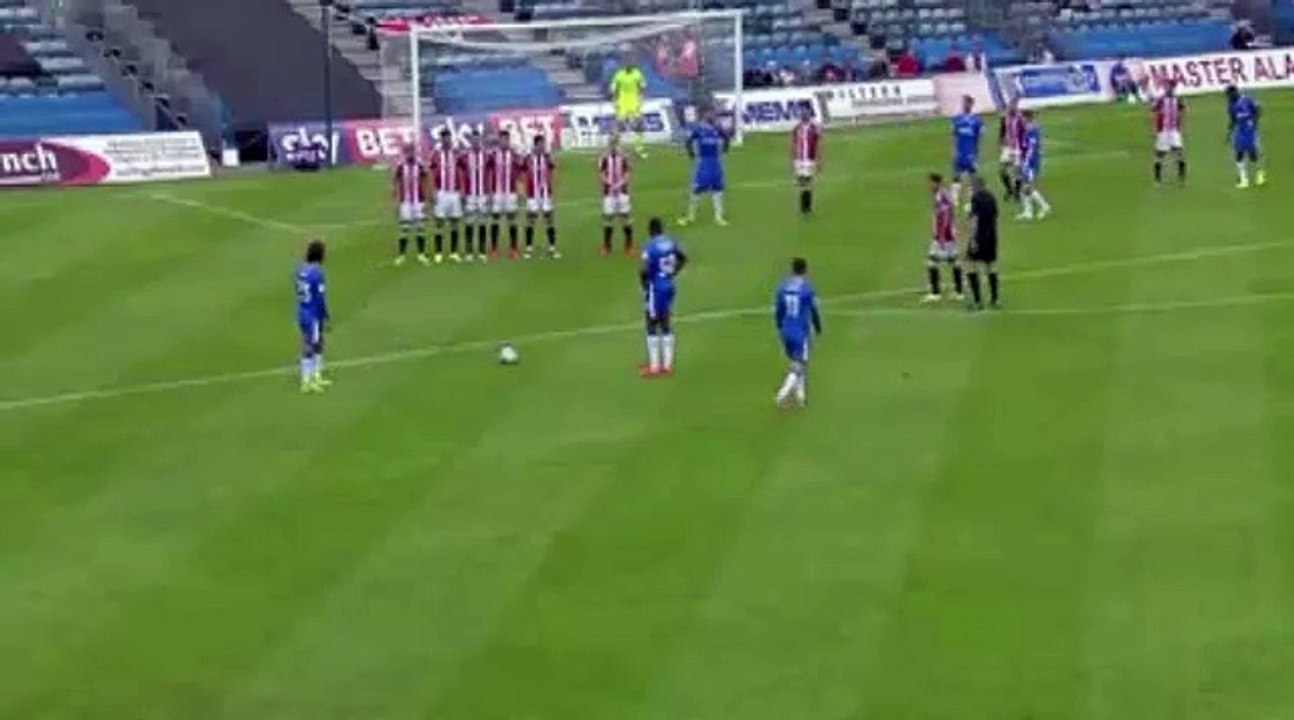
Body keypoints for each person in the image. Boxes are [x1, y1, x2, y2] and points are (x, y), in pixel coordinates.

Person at [640, 217, 688, 376]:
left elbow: (644, 269)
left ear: (650, 230)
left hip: (655, 287)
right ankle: (667, 364)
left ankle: (654, 366)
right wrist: (672, 273)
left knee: (651, 323)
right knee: (666, 320)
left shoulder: (650, 245)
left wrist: (644, 284)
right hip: (669, 285)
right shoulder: (670, 242)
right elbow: (683, 258)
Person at [773, 256, 821, 408]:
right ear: (805, 270)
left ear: (791, 269)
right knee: (799, 364)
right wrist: (817, 327)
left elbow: (778, 310)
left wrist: (779, 326)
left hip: (785, 330)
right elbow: (813, 310)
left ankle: (801, 396)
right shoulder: (807, 288)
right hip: (800, 331)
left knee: (796, 361)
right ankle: (782, 394)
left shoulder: (782, 287)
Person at [679, 109, 729, 226]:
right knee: (696, 190)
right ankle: (690, 217)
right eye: (710, 115)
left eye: (713, 115)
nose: (712, 117)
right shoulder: (699, 129)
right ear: (705, 117)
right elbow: (689, 141)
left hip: (715, 162)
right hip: (704, 162)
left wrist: (724, 150)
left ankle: (718, 217)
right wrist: (691, 153)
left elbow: (726, 138)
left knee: (718, 189)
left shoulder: (717, 129)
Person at [295, 239, 331, 393]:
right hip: (313, 313)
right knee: (309, 345)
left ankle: (316, 376)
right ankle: (307, 381)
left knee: (317, 343)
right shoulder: (317, 273)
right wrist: (325, 316)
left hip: (302, 310)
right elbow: (320, 298)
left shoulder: (300, 269)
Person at [923, 172, 964, 302]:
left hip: (944, 235)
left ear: (936, 183)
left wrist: (941, 235)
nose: (929, 185)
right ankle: (959, 292)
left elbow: (944, 215)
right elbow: (950, 211)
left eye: (930, 183)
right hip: (948, 234)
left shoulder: (940, 195)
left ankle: (936, 293)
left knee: (932, 261)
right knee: (954, 261)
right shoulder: (943, 193)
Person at [965, 177, 1000, 310]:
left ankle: (977, 300)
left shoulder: (975, 199)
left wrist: (973, 238)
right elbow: (995, 215)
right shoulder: (991, 197)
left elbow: (974, 219)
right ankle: (995, 299)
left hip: (979, 237)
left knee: (971, 265)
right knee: (990, 266)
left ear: (976, 186)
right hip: (991, 236)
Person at [391, 144, 429, 266]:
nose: (410, 154)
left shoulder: (420, 164)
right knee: (404, 228)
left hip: (419, 201)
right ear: (405, 152)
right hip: (405, 202)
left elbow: (426, 178)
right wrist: (395, 198)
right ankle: (401, 255)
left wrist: (427, 196)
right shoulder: (401, 166)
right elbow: (395, 179)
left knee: (420, 227)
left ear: (414, 152)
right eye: (408, 151)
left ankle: (421, 254)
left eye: (412, 151)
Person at [429, 129, 463, 263]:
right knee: (439, 221)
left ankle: (454, 252)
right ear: (441, 139)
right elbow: (431, 173)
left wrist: (462, 190)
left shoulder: (457, 153)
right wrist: (433, 190)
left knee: (454, 221)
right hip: (441, 192)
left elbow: (461, 172)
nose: (446, 140)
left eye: (448, 137)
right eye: (444, 138)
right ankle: (438, 253)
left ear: (451, 138)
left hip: (454, 192)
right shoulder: (436, 154)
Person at [523, 133, 560, 258]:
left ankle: (552, 247)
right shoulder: (528, 158)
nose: (543, 146)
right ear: (536, 145)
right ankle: (528, 248)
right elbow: (522, 170)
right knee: (530, 220)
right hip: (532, 194)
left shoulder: (547, 157)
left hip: (545, 193)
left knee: (549, 219)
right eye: (541, 144)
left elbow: (553, 167)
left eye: (543, 144)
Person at [489, 129, 523, 259]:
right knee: (495, 219)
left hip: (511, 192)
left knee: (511, 219)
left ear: (509, 140)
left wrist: (520, 189)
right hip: (497, 193)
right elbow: (487, 171)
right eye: (501, 140)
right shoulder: (493, 155)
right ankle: (494, 248)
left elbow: (520, 172)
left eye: (506, 140)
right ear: (499, 141)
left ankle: (513, 248)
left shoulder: (514, 155)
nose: (504, 142)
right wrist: (489, 191)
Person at [598, 133, 634, 256]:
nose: (613, 146)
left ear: (618, 143)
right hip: (609, 192)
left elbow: (627, 174)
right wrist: (608, 183)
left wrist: (619, 184)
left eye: (615, 143)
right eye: (611, 143)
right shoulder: (604, 157)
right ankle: (607, 246)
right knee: (608, 218)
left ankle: (629, 245)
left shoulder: (623, 157)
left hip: (622, 191)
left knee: (625, 217)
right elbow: (601, 173)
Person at [1226, 85, 1265, 189]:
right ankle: (1244, 179)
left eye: (1230, 95)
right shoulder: (1230, 104)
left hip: (1249, 129)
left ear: (1235, 92)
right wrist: (1229, 132)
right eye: (1228, 95)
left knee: (1252, 153)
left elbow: (1258, 110)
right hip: (1240, 129)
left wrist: (1254, 123)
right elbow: (1233, 119)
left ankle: (1259, 174)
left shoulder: (1247, 99)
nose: (1229, 97)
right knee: (1239, 154)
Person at [609, 58, 648, 158]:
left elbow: (643, 86)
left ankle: (639, 149)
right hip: (622, 103)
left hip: (634, 102)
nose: (628, 65)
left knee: (639, 125)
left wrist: (641, 97)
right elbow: (613, 88)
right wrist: (614, 100)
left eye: (630, 63)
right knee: (619, 125)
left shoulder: (637, 73)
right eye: (626, 64)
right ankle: (615, 148)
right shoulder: (619, 74)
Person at [461, 130, 490, 262]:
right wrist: (462, 190)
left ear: (480, 140)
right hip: (469, 194)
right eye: (473, 139)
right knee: (469, 222)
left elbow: (490, 174)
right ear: (471, 140)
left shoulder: (487, 156)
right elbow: (460, 173)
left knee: (482, 222)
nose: (475, 142)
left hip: (483, 194)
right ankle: (469, 251)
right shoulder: (464, 156)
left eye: (477, 139)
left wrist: (489, 192)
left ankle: (482, 251)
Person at [1017, 109, 1051, 220]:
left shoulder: (1032, 129)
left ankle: (1044, 206)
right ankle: (1028, 212)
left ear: (1027, 117)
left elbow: (1032, 148)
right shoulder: (1028, 128)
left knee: (1028, 186)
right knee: (1024, 185)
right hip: (1026, 160)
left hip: (1031, 162)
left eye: (1022, 117)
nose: (1021, 119)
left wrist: (1027, 162)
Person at [950, 94, 982, 209]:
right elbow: (954, 135)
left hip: (970, 152)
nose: (964, 104)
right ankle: (954, 199)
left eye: (966, 102)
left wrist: (976, 153)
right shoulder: (957, 118)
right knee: (956, 175)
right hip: (959, 151)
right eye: (963, 102)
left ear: (971, 104)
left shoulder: (976, 120)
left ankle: (970, 201)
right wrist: (954, 150)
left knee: (971, 177)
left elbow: (978, 138)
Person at [1152, 80, 1186, 186]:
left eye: (1170, 87)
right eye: (1166, 87)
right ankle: (1157, 179)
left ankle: (1181, 178)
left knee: (1179, 153)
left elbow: (1182, 109)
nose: (1168, 89)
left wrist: (1179, 122)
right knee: (1160, 154)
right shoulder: (1161, 100)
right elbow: (1153, 109)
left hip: (1174, 131)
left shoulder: (1177, 99)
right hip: (1163, 131)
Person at [790, 105, 820, 216]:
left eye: (806, 113)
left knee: (807, 182)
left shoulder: (814, 128)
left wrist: (818, 159)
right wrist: (792, 157)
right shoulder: (797, 128)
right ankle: (804, 207)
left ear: (809, 114)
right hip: (799, 159)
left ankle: (807, 207)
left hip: (809, 159)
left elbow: (818, 144)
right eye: (802, 113)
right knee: (801, 182)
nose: (804, 115)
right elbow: (793, 143)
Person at [998, 95, 1024, 202]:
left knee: (1017, 172)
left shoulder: (1020, 119)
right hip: (1008, 148)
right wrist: (1001, 143)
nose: (1011, 107)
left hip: (1018, 148)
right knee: (1002, 170)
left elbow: (1024, 134)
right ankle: (1009, 189)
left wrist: (1024, 149)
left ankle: (1017, 193)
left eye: (1013, 105)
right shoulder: (1005, 118)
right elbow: (1002, 131)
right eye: (1010, 105)